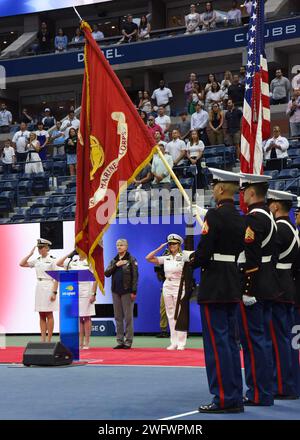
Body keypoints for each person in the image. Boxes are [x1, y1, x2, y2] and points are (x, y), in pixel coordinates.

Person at [190, 168, 245, 413]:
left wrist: (190, 260)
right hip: (233, 281)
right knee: (231, 343)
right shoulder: (240, 217)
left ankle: (223, 397)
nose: (212, 190)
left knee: (216, 344)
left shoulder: (214, 215)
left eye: (214, 186)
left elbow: (203, 253)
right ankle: (234, 394)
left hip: (214, 285)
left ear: (221, 189)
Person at [238, 173, 282, 407]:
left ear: (252, 193)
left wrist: (247, 289)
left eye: (244, 191)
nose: (242, 195)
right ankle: (265, 390)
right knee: (262, 340)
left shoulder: (254, 219)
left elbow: (251, 257)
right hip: (268, 283)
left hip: (255, 287)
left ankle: (258, 393)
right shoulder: (270, 217)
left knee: (253, 341)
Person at [267, 190, 300, 399]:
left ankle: (282, 386)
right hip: (288, 285)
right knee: (287, 339)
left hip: (278, 286)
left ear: (276, 206)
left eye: (271, 203)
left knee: (279, 340)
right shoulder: (292, 228)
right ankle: (291, 383)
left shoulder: (279, 228)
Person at [146, 234, 193, 350]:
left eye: (174, 244)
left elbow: (196, 256)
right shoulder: (166, 257)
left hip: (179, 285)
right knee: (170, 314)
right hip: (167, 285)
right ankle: (174, 342)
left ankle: (181, 342)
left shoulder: (183, 255)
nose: (172, 246)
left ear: (179, 245)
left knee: (179, 314)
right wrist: (160, 248)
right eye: (170, 244)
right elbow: (148, 258)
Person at [19, 239, 58, 343]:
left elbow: (57, 277)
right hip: (39, 286)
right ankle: (43, 339)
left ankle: (49, 339)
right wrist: (29, 254)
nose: (39, 250)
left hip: (49, 285)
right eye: (39, 248)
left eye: (41, 248)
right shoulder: (37, 260)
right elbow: (22, 264)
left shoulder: (53, 260)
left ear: (46, 248)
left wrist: (54, 292)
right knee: (41, 314)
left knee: (49, 314)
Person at [56, 251, 97, 350]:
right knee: (78, 317)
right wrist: (70, 254)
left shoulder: (90, 262)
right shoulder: (73, 261)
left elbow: (95, 279)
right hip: (74, 289)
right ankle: (80, 342)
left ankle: (87, 342)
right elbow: (58, 263)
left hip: (86, 289)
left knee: (86, 317)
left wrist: (93, 293)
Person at [104, 239, 138, 349]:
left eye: (121, 245)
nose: (119, 247)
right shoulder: (114, 260)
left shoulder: (131, 259)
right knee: (118, 317)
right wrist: (116, 265)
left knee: (128, 318)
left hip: (127, 291)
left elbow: (135, 277)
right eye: (117, 245)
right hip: (115, 291)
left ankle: (128, 341)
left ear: (126, 247)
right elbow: (107, 273)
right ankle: (119, 341)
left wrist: (134, 291)